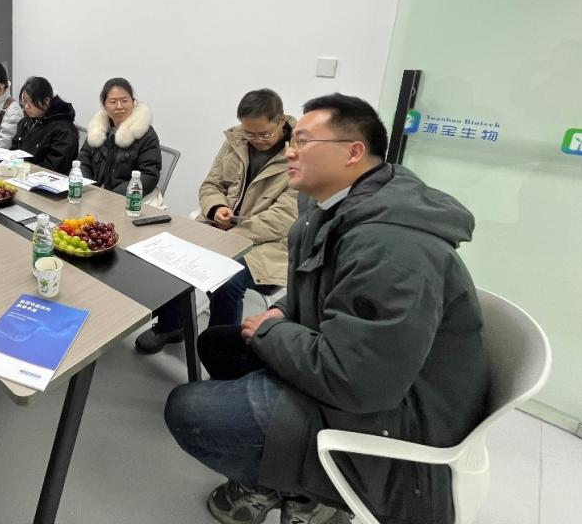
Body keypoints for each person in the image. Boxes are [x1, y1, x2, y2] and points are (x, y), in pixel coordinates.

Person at [164, 94, 490, 524]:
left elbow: (358, 381)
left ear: (353, 152)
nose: (289, 151)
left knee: (188, 410)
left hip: (391, 416)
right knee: (218, 345)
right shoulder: (336, 205)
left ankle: (310, 496)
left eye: (302, 141)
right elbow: (323, 287)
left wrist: (271, 332)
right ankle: (280, 476)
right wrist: (284, 311)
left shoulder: (390, 246)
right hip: (355, 365)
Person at [135, 89, 298, 353]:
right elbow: (211, 184)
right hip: (219, 227)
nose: (257, 140)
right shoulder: (236, 141)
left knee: (227, 279)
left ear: (280, 121)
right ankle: (171, 325)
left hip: (267, 244)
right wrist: (216, 208)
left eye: (264, 134)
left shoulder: (298, 155)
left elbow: (284, 218)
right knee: (169, 252)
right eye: (250, 133)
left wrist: (233, 230)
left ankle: (221, 351)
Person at [77, 77, 162, 196]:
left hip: (129, 198)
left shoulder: (146, 134)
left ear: (133, 102)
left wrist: (113, 197)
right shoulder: (98, 129)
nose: (119, 106)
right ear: (104, 105)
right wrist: (88, 189)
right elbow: (83, 162)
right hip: (95, 195)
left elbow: (149, 175)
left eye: (125, 101)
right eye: (113, 102)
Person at [10, 76, 79, 173]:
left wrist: (23, 168)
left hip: (45, 178)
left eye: (31, 102)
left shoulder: (65, 130)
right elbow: (14, 150)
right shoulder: (26, 121)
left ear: (46, 101)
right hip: (20, 174)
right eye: (24, 101)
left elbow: (54, 167)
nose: (26, 107)